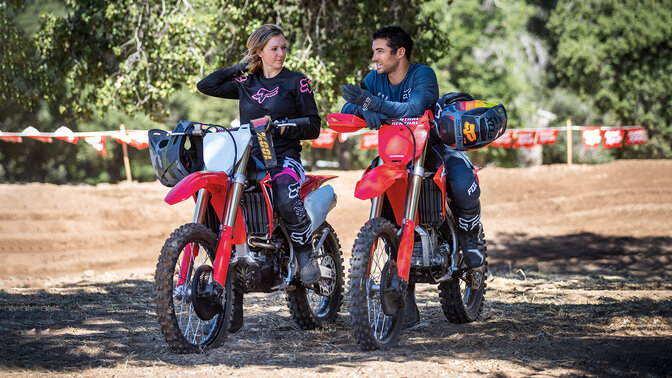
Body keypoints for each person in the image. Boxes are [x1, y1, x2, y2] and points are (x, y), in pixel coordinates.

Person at [341, 26, 485, 328]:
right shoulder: (374, 78)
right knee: (389, 209)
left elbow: (415, 107)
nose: (374, 56)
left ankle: (469, 240)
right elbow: (350, 104)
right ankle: (405, 300)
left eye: (379, 50)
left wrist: (373, 105)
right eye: (374, 50)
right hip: (395, 152)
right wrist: (361, 110)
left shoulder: (422, 74)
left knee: (459, 178)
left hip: (430, 147)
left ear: (400, 52)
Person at [197, 24, 321, 333]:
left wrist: (282, 128)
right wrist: (239, 67)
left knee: (282, 189)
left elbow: (314, 126)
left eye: (283, 47)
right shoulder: (244, 83)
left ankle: (304, 252)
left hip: (285, 158)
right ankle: (232, 293)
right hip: (248, 158)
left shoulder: (297, 82)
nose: (281, 53)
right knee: (220, 199)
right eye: (274, 48)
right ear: (259, 52)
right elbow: (206, 85)